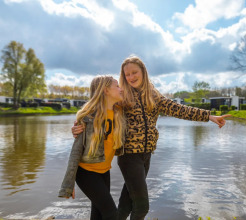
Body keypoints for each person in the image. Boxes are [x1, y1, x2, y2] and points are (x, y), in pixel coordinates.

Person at [72, 56, 231, 220]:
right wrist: (79, 127)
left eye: (134, 72)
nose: (131, 77)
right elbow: (100, 109)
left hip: (146, 156)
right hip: (129, 156)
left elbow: (177, 109)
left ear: (143, 72)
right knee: (142, 207)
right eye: (127, 74)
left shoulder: (153, 95)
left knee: (126, 206)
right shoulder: (122, 95)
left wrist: (209, 116)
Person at [59, 75, 126, 220]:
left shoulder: (119, 114)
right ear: (106, 90)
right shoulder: (88, 117)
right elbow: (75, 152)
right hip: (86, 173)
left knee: (98, 214)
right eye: (117, 86)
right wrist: (68, 185)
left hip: (104, 172)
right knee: (112, 214)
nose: (121, 89)